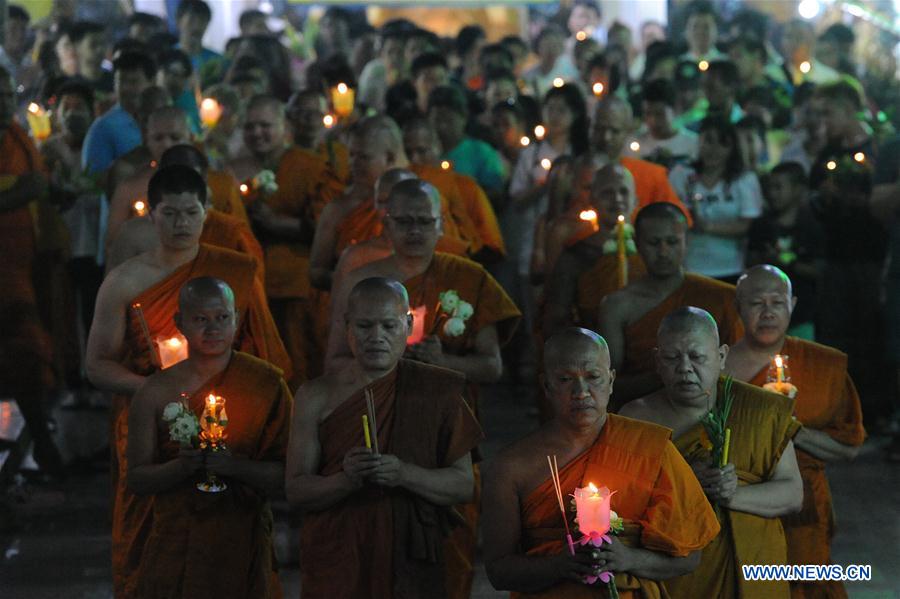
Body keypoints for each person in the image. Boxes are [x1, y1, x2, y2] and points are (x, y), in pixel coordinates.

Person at [85, 165, 289, 596]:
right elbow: (97, 365)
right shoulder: (124, 281)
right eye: (170, 213)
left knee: (233, 543)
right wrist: (158, 391)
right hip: (151, 425)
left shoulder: (231, 275)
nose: (181, 224)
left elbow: (261, 352)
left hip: (227, 420)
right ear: (150, 215)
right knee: (151, 544)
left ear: (207, 212)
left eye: (191, 213)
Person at [327, 179, 520, 598]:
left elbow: (492, 366)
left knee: (447, 561)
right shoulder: (361, 281)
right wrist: (386, 358)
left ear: (441, 224)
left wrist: (442, 362)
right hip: (374, 425)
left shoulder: (468, 277)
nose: (414, 231)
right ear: (386, 224)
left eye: (425, 221)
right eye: (404, 221)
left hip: (444, 434)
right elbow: (333, 362)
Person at [483, 327, 720, 598]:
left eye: (593, 377)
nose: (581, 392)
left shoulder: (650, 447)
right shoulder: (511, 466)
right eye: (564, 379)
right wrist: (558, 566)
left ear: (611, 381)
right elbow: (498, 571)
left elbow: (690, 558)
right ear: (546, 386)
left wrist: (628, 559)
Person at [287, 277, 482, 598]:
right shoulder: (315, 396)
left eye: (389, 326)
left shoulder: (437, 390)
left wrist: (402, 473)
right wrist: (345, 481)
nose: (376, 337)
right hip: (340, 551)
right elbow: (295, 490)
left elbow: (463, 485)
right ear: (347, 326)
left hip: (411, 549)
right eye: (364, 326)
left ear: (407, 325)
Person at [619, 307, 803, 598]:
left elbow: (793, 493)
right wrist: (682, 482)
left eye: (697, 357)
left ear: (721, 357)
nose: (685, 368)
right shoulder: (636, 418)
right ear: (657, 360)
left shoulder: (758, 411)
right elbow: (620, 505)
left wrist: (732, 494)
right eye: (671, 358)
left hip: (752, 570)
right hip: (678, 577)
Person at [127, 277, 291, 598]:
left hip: (243, 535)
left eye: (222, 318)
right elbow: (137, 479)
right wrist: (181, 467)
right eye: (201, 319)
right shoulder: (155, 391)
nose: (213, 329)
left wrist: (234, 467)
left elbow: (288, 476)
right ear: (180, 324)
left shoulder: (266, 383)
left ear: (237, 319)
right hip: (179, 539)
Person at [724, 265, 865, 598]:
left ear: (793, 304)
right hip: (739, 501)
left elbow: (849, 448)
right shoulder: (718, 365)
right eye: (757, 302)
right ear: (738, 306)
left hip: (804, 507)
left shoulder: (823, 365)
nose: (768, 312)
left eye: (778, 302)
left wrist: (790, 429)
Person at [229, 94, 343, 387]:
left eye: (265, 125)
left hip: (295, 284)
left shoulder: (310, 167)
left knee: (298, 367)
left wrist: (280, 224)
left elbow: (328, 224)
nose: (257, 133)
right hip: (247, 284)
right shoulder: (233, 169)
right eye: (250, 127)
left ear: (284, 127)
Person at [597, 203, 743, 406]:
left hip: (711, 413)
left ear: (686, 242)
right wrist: (668, 374)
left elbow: (738, 369)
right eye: (654, 243)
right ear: (638, 244)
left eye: (672, 242)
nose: (663, 252)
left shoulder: (721, 296)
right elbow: (608, 384)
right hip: (645, 413)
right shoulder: (617, 305)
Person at [310, 116, 469, 291]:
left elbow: (449, 263)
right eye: (351, 155)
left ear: (390, 158)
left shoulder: (427, 195)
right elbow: (317, 271)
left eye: (363, 157)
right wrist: (359, 279)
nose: (352, 163)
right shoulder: (340, 207)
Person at [0, 65, 64, 475]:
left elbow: (36, 182)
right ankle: (40, 439)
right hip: (6, 274)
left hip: (27, 262)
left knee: (27, 351)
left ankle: (41, 438)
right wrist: (21, 193)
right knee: (23, 348)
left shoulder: (15, 135)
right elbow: (26, 186)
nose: (5, 103)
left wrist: (53, 191)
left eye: (7, 95)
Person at [106, 144, 262, 274]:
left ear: (206, 179)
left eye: (192, 180)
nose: (183, 187)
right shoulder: (134, 234)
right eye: (175, 180)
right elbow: (114, 293)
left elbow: (247, 285)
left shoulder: (228, 231)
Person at [542, 163, 646, 336]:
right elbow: (557, 315)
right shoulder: (575, 256)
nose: (617, 199)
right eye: (607, 193)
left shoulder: (648, 251)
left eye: (624, 192)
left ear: (636, 200)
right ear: (592, 200)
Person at [669, 116, 763, 281]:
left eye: (722, 143)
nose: (714, 149)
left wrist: (707, 227)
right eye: (708, 141)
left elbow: (746, 225)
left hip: (730, 268)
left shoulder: (744, 180)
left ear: (732, 148)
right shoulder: (681, 174)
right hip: (689, 267)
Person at [402, 117, 506, 261]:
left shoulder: (464, 186)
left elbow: (490, 242)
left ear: (438, 147)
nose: (414, 159)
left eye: (422, 151)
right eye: (408, 153)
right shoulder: (397, 191)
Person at [746, 162, 824, 339]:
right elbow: (750, 262)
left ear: (797, 190)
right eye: (770, 188)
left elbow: (819, 270)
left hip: (801, 314)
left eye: (779, 187)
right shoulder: (762, 226)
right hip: (763, 314)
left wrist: (786, 262)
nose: (772, 194)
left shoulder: (811, 228)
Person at [105, 106, 193, 247]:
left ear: (190, 138)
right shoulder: (129, 188)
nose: (166, 144)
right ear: (147, 141)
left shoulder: (208, 181)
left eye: (175, 137)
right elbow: (113, 245)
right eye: (158, 138)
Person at [591, 96, 688, 215]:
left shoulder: (652, 177)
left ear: (628, 132)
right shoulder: (573, 173)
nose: (606, 137)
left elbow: (679, 221)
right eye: (599, 129)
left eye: (615, 131)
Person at [81, 51, 156, 175]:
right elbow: (92, 180)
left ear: (151, 82)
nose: (126, 88)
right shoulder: (104, 127)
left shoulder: (163, 119)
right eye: (121, 81)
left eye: (133, 82)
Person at [428, 85, 507, 200]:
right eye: (437, 120)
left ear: (464, 118)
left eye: (449, 120)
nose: (442, 127)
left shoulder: (481, 153)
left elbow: (496, 193)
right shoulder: (422, 154)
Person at [286, 88, 350, 182]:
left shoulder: (339, 154)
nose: (310, 118)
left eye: (317, 113)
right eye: (303, 113)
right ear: (290, 117)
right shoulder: (282, 157)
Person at [634, 78, 698, 168]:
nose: (652, 120)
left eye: (659, 114)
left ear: (675, 109)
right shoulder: (635, 143)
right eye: (647, 113)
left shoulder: (693, 144)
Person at [175, 0, 222, 73]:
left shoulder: (218, 61)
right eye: (191, 20)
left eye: (202, 21)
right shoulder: (167, 58)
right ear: (178, 22)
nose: (197, 27)